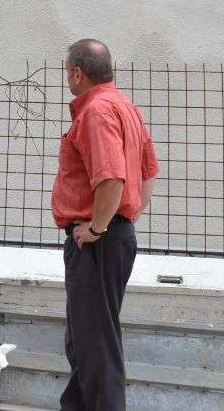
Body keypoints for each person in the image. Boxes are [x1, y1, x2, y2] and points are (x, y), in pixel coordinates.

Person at [51, 38, 159, 411]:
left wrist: (99, 226)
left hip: (96, 242)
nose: (68, 78)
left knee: (96, 350)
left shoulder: (96, 111)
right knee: (85, 343)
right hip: (113, 238)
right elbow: (147, 174)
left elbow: (111, 178)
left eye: (67, 71)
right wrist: (125, 217)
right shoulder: (126, 107)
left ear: (78, 73)